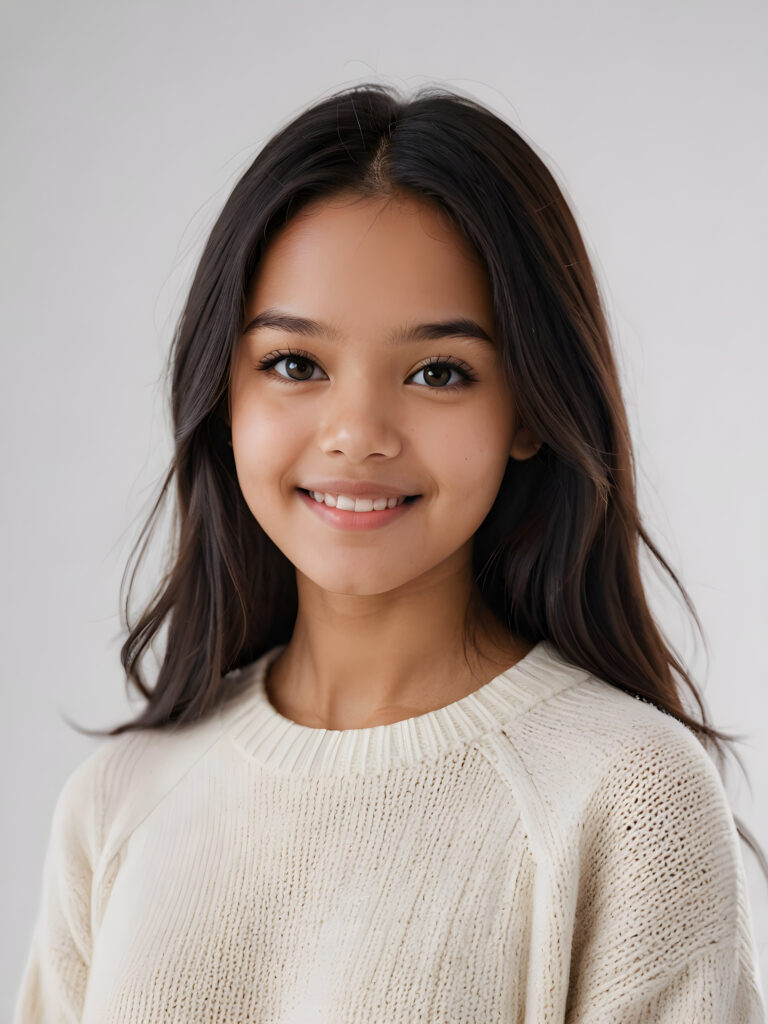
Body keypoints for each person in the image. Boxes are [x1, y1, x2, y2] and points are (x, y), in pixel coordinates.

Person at [13, 83, 766, 1023]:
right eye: (296, 364)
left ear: (528, 409)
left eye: (438, 372)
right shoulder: (117, 803)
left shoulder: (627, 798)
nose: (357, 433)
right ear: (224, 395)